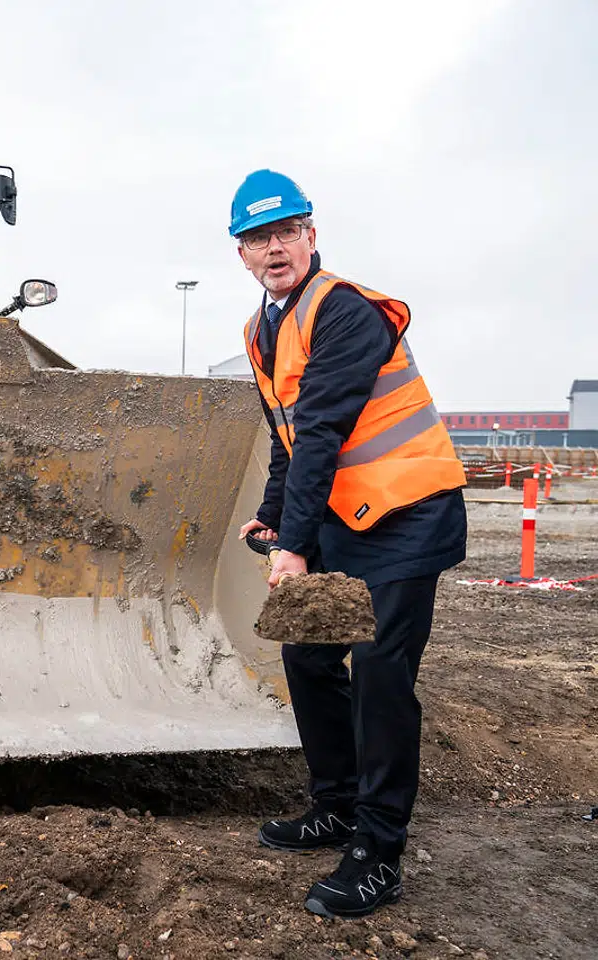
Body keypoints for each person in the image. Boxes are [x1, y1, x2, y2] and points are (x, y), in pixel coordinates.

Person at [229, 170, 467, 919]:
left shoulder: (345, 312)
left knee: (381, 671)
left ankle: (377, 852)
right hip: (347, 517)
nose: (275, 249)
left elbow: (325, 429)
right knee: (307, 654)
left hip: (408, 515)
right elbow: (288, 435)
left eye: (286, 232)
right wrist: (273, 517)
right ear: (241, 253)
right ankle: (334, 805)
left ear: (311, 235)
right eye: (258, 238)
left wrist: (295, 548)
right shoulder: (263, 327)